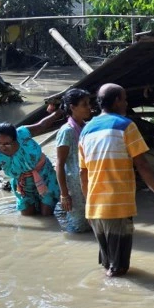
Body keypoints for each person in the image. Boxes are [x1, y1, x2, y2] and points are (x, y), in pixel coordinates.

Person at [78, 83, 154, 278]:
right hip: (117, 206)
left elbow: (83, 173)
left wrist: (88, 206)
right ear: (116, 101)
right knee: (119, 269)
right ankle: (114, 301)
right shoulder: (125, 125)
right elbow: (143, 165)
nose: (126, 103)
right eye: (124, 99)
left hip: (95, 208)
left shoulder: (86, 130)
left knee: (107, 263)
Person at [55, 88, 93, 233]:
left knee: (91, 222)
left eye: (89, 103)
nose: (89, 107)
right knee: (78, 227)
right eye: (84, 104)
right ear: (72, 107)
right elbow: (59, 164)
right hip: (74, 186)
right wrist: (64, 194)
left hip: (87, 181)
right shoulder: (67, 131)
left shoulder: (86, 127)